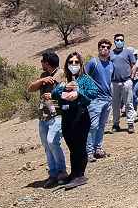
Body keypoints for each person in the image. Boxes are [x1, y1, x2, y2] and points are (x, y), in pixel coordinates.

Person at [51, 52, 98, 189]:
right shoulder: (65, 80)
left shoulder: (85, 79)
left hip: (80, 113)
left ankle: (80, 175)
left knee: (79, 145)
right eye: (71, 62)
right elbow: (54, 94)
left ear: (81, 64)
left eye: (76, 62)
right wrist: (66, 90)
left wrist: (78, 92)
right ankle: (74, 173)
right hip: (66, 114)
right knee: (71, 145)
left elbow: (93, 92)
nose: (73, 65)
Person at [27, 51, 67, 187]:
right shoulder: (44, 76)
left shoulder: (62, 73)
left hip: (57, 115)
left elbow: (66, 91)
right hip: (43, 116)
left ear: (46, 63)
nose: (42, 64)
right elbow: (30, 88)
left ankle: (62, 171)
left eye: (42, 62)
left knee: (53, 142)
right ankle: (53, 174)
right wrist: (41, 81)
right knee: (47, 146)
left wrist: (53, 95)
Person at [84, 39, 114, 160]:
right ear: (98, 48)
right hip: (95, 100)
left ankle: (97, 149)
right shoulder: (93, 63)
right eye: (103, 47)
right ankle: (89, 151)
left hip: (107, 99)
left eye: (107, 47)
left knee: (101, 126)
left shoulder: (111, 64)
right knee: (93, 126)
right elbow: (84, 78)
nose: (105, 49)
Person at [108, 33, 138, 134]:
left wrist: (131, 77)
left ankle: (130, 123)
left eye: (121, 40)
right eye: (117, 40)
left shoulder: (128, 52)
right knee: (115, 104)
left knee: (128, 103)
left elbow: (133, 65)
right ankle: (116, 124)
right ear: (114, 41)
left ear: (124, 41)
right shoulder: (110, 53)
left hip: (126, 81)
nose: (119, 42)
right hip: (114, 82)